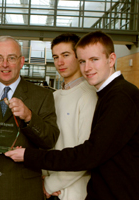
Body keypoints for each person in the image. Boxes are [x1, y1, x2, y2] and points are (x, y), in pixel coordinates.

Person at [5, 31, 139, 200]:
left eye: (94, 60)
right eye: (83, 61)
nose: (87, 68)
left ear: (111, 59)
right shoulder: (108, 93)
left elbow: (89, 154)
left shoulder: (120, 96)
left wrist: (30, 158)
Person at [0, 36, 60, 200]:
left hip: (24, 189)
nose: (5, 64)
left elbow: (49, 140)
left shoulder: (43, 96)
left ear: (21, 61)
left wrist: (29, 116)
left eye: (11, 58)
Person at [43, 34, 97, 200]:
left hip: (74, 193)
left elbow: (86, 154)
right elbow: (47, 141)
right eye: (56, 57)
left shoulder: (89, 96)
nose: (60, 62)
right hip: (51, 188)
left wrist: (50, 184)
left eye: (66, 55)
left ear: (78, 57)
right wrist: (44, 176)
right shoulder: (54, 96)